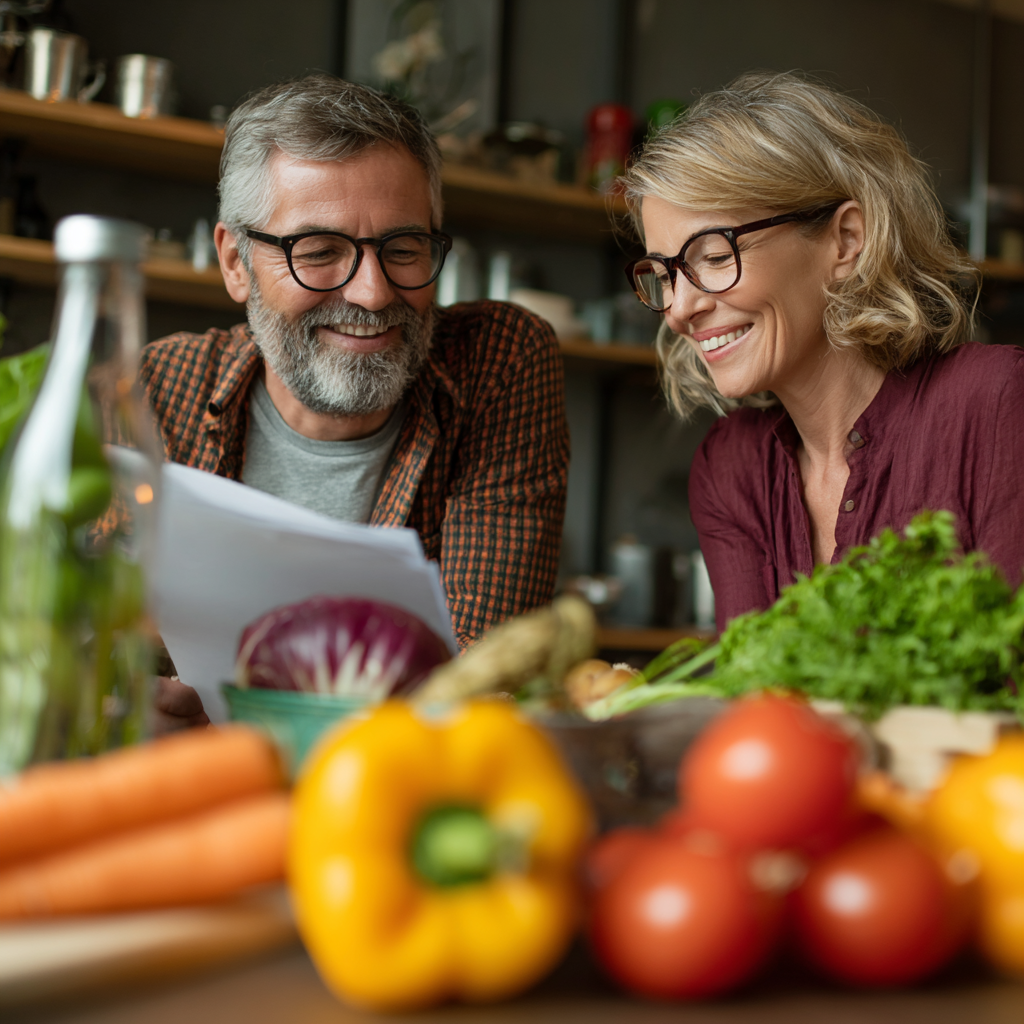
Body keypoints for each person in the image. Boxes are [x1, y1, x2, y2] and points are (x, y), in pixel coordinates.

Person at [143, 75, 569, 727]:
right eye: (319, 253)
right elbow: (100, 645)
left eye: (403, 249)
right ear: (235, 263)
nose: (372, 294)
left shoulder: (497, 361)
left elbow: (475, 689)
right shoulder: (155, 388)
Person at [621, 71, 1024, 632]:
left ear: (846, 241)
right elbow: (758, 701)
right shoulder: (732, 470)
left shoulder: (1000, 404)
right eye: (664, 275)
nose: (680, 309)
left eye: (713, 257)